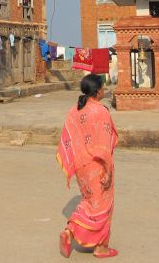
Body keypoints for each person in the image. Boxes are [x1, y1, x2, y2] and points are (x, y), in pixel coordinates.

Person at [57, 74, 119, 259]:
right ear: (97, 91)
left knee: (89, 201)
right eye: (103, 87)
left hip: (82, 166)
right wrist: (107, 169)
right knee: (103, 205)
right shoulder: (100, 112)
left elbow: (68, 138)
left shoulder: (75, 109)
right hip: (98, 165)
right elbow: (103, 145)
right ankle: (101, 247)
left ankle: (70, 231)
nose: (105, 90)